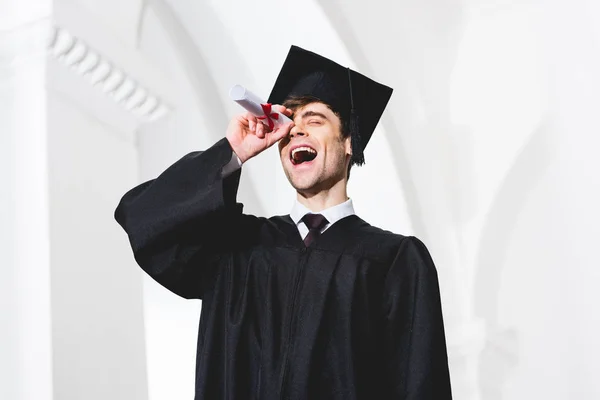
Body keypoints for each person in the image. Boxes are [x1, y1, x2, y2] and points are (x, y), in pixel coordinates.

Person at [115, 45, 452, 399]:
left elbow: (421, 387)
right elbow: (144, 220)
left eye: (315, 120)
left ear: (350, 141)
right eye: (290, 122)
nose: (296, 131)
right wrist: (231, 153)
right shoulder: (237, 250)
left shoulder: (394, 261)